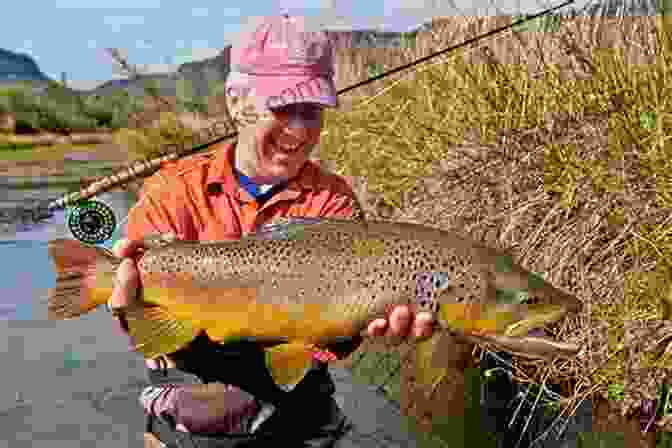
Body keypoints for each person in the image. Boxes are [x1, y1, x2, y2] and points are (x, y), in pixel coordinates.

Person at [108, 14, 436, 448]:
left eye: (312, 111)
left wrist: (358, 327)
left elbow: (334, 343)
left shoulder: (332, 202)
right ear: (237, 103)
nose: (299, 132)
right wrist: (125, 305)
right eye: (283, 109)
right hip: (188, 427)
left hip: (298, 425)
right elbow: (143, 324)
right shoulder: (173, 190)